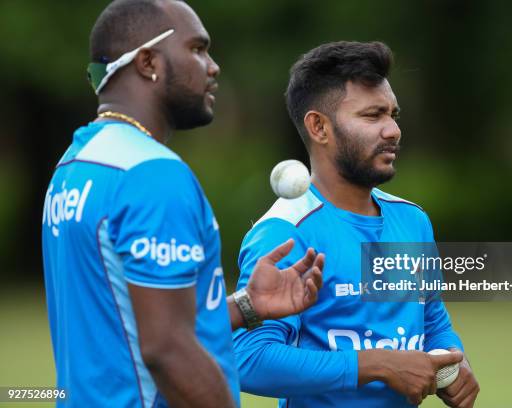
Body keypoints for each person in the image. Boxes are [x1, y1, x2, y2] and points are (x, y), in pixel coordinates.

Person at [41, 1, 324, 407]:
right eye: (197, 49)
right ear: (147, 62)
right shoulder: (152, 174)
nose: (213, 66)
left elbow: (129, 323)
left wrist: (246, 307)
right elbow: (166, 348)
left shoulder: (76, 163)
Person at [232, 41, 479, 407]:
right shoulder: (286, 232)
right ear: (319, 127)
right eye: (372, 115)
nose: (393, 130)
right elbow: (248, 360)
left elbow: (433, 323)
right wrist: (375, 365)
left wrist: (451, 360)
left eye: (393, 114)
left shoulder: (412, 221)